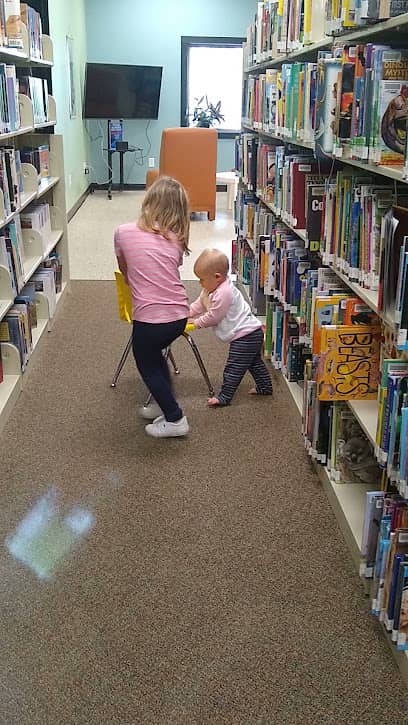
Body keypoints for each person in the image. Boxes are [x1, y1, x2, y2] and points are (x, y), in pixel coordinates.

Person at [114, 176, 190, 438]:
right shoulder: (177, 239)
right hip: (179, 314)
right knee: (157, 358)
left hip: (150, 318)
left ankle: (176, 419)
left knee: (147, 364)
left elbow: (125, 270)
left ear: (148, 201)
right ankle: (162, 402)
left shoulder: (123, 232)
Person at [189, 248, 273, 406]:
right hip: (250, 333)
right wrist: (187, 313)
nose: (200, 283)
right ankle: (265, 386)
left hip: (245, 336)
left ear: (217, 277)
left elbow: (214, 316)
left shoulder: (224, 293)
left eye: (202, 279)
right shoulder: (210, 288)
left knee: (233, 367)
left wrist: (196, 323)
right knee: (254, 363)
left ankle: (224, 397)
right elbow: (200, 304)